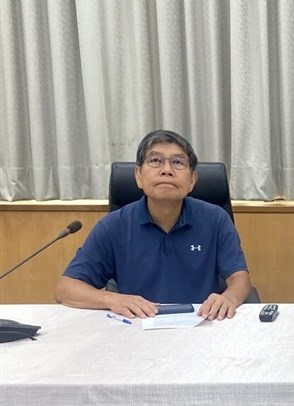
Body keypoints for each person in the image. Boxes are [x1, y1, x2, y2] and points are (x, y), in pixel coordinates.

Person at [55, 129, 252, 320]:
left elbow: (240, 279)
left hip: (202, 323)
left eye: (178, 162)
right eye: (155, 161)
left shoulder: (215, 219)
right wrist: (112, 299)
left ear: (192, 180)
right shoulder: (113, 226)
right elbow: (66, 288)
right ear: (139, 176)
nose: (167, 170)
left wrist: (228, 298)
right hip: (135, 328)